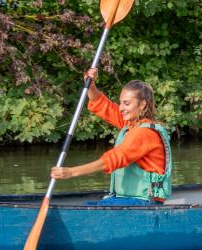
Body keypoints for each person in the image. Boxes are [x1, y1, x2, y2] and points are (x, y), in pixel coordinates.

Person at [51, 68, 172, 206]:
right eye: (120, 103)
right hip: (127, 199)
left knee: (89, 210)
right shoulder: (131, 124)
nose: (121, 108)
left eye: (126, 103)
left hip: (144, 202)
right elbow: (103, 106)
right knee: (90, 206)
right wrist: (91, 86)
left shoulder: (144, 133)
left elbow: (114, 159)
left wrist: (71, 172)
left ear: (142, 104)